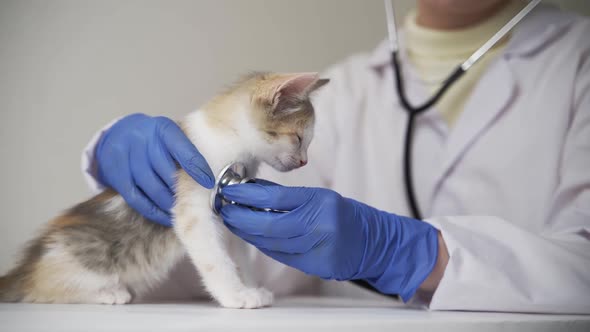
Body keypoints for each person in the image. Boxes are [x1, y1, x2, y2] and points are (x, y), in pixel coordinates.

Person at [83, 0, 590, 313]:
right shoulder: (342, 90)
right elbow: (252, 253)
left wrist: (415, 254)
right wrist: (137, 190)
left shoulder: (577, 61)